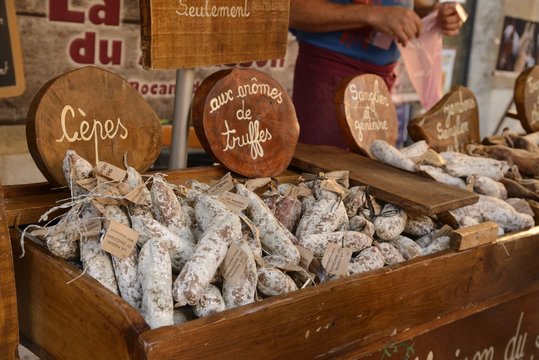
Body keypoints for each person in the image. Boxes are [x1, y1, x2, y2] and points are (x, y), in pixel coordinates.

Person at [289, 0, 464, 148]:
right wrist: (372, 15)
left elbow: (405, 4)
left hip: (381, 81)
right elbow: (291, 9)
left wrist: (435, 12)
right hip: (328, 73)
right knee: (321, 173)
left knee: (371, 171)